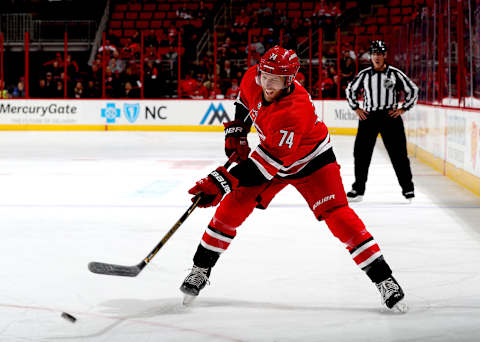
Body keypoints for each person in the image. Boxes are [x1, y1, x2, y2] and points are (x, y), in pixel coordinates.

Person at [179, 46, 408, 313]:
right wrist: (239, 129)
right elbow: (244, 101)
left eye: (275, 79)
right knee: (230, 210)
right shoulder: (254, 76)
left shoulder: (293, 110)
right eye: (265, 75)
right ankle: (200, 269)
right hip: (272, 154)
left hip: (312, 163)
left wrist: (220, 181)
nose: (267, 83)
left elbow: (262, 169)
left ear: (290, 80)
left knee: (339, 216)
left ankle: (385, 280)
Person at [345, 40, 418, 202]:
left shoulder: (395, 73)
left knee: (399, 154)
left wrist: (403, 108)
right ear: (370, 56)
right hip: (369, 117)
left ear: (385, 55)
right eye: (374, 54)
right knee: (361, 154)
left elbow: (412, 90)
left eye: (380, 54)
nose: (377, 57)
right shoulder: (364, 75)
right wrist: (356, 107)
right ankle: (358, 189)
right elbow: (350, 89)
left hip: (390, 117)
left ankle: (408, 189)